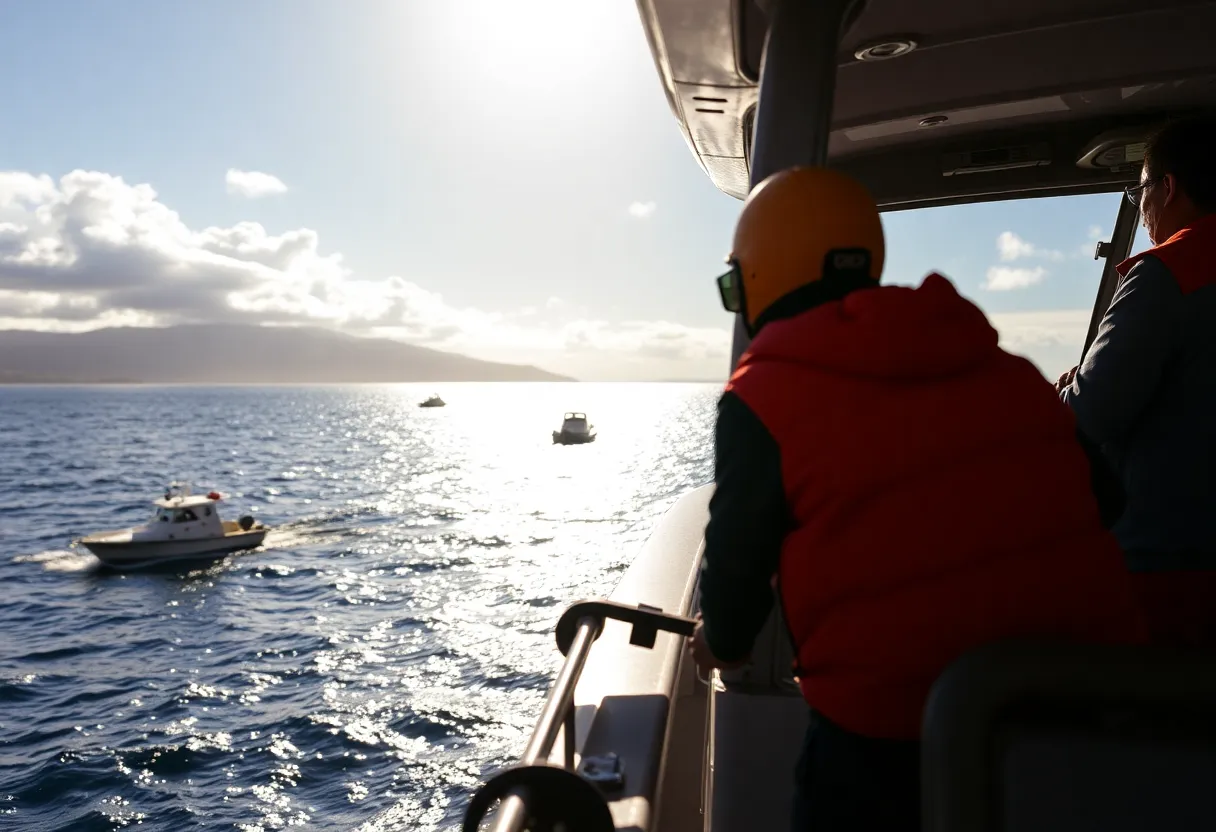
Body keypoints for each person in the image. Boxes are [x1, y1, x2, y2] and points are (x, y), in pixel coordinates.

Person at [686, 166, 1146, 831]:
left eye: (733, 286)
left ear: (758, 275)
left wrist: (717, 643)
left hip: (890, 741)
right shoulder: (1003, 369)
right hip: (1083, 715)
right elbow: (1105, 501)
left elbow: (733, 596)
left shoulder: (763, 397)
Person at [1057, 115, 1216, 648]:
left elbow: (1092, 412)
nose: (1140, 206)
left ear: (1167, 187)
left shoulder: (1169, 271)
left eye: (1139, 189)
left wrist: (1068, 388)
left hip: (1169, 567)